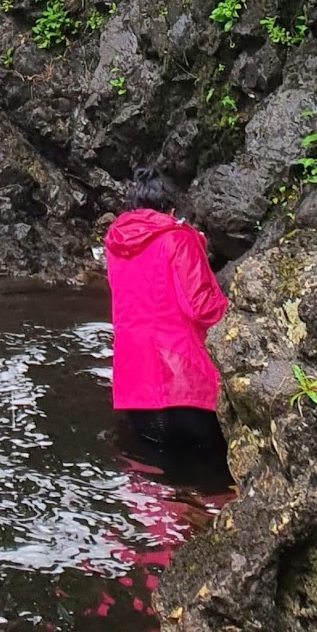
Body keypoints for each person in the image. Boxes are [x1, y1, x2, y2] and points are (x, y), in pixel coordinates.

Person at [104, 167, 228, 449]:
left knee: (154, 483)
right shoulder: (178, 238)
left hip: (134, 387)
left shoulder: (115, 243)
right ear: (170, 207)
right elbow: (202, 307)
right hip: (183, 384)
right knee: (210, 479)